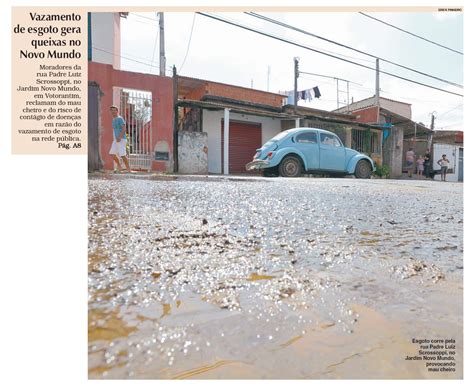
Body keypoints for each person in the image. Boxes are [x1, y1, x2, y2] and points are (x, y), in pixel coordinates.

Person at [109, 105, 132, 173]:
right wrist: (116, 138)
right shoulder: (113, 120)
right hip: (116, 140)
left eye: (114, 110)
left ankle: (129, 169)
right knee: (112, 154)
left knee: (122, 155)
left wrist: (120, 137)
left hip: (122, 139)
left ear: (117, 111)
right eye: (111, 111)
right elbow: (115, 130)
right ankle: (119, 166)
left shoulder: (120, 119)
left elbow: (124, 128)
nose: (113, 112)